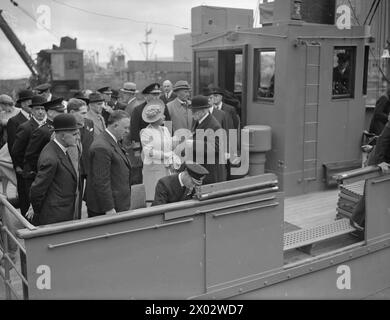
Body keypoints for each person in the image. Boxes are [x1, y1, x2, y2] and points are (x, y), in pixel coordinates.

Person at [28, 114, 81, 226]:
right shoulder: (50, 158)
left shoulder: (59, 149)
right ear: (62, 135)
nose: (78, 137)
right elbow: (37, 190)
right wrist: (39, 212)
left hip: (61, 213)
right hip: (54, 217)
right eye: (74, 134)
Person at [86, 110, 131, 217]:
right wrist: (109, 208)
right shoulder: (102, 147)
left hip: (118, 203)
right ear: (115, 126)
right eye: (125, 128)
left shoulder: (111, 140)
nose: (127, 131)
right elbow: (101, 181)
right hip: (107, 209)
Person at [126, 83, 171, 185]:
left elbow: (169, 126)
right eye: (154, 94)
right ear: (146, 96)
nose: (157, 97)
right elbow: (134, 130)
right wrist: (137, 151)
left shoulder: (164, 108)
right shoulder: (138, 110)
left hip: (161, 147)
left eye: (158, 94)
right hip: (145, 148)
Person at [350, 121, 390, 232]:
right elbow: (383, 141)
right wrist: (380, 162)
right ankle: (356, 220)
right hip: (380, 161)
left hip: (386, 160)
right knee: (371, 191)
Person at [11, 95, 47, 216]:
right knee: (31, 203)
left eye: (43, 108)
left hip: (45, 171)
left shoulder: (50, 126)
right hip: (31, 173)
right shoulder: (25, 127)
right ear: (32, 110)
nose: (41, 112)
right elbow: (16, 151)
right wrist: (26, 167)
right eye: (37, 109)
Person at [140, 101, 181, 202]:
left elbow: (169, 146)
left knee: (167, 193)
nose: (164, 117)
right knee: (154, 195)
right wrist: (166, 155)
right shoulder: (145, 132)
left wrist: (177, 141)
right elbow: (149, 152)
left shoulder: (165, 129)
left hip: (167, 168)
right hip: (154, 168)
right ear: (155, 118)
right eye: (161, 115)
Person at [23, 97, 66, 182]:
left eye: (63, 111)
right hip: (45, 174)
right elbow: (31, 155)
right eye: (60, 112)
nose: (63, 114)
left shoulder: (58, 128)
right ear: (50, 112)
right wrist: (43, 170)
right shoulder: (42, 131)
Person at [187, 95, 227, 185]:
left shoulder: (214, 125)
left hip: (210, 173)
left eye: (194, 111)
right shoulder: (199, 120)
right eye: (192, 110)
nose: (192, 113)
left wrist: (192, 143)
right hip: (202, 170)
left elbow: (215, 147)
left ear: (204, 111)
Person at [67, 98, 94, 216]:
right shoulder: (64, 126)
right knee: (74, 200)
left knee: (91, 199)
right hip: (72, 170)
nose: (85, 116)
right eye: (82, 113)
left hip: (88, 167)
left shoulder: (89, 123)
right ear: (72, 113)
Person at [7, 89, 34, 156]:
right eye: (30, 103)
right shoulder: (13, 121)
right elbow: (12, 145)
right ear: (23, 104)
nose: (33, 105)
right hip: (22, 161)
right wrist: (16, 165)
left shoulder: (35, 118)